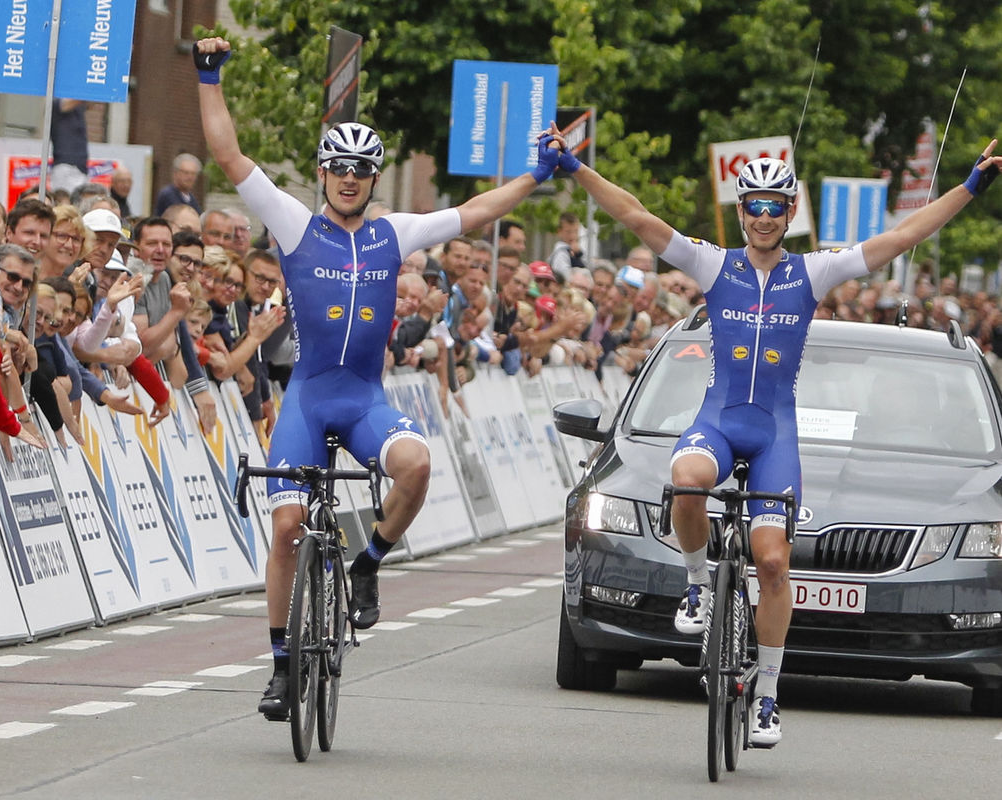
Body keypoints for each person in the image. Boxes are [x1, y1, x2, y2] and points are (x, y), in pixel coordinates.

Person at [556, 122, 1002, 747]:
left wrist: (969, 188)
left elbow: (904, 235)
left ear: (790, 212)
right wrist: (576, 170)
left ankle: (766, 695)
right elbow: (636, 216)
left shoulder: (813, 273)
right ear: (740, 211)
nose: (763, 217)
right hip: (718, 421)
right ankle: (694, 588)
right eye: (753, 206)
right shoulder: (713, 264)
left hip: (774, 434)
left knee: (771, 562)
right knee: (685, 480)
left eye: (775, 206)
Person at [195, 36, 566, 721]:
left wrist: (536, 177)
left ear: (372, 178)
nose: (348, 177)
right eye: (338, 166)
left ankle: (368, 564)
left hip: (365, 399)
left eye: (361, 169)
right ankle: (280, 667)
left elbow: (479, 211)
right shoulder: (295, 224)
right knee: (284, 531)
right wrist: (208, 76)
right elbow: (229, 155)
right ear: (323, 171)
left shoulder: (394, 232)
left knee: (419, 465)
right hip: (307, 400)